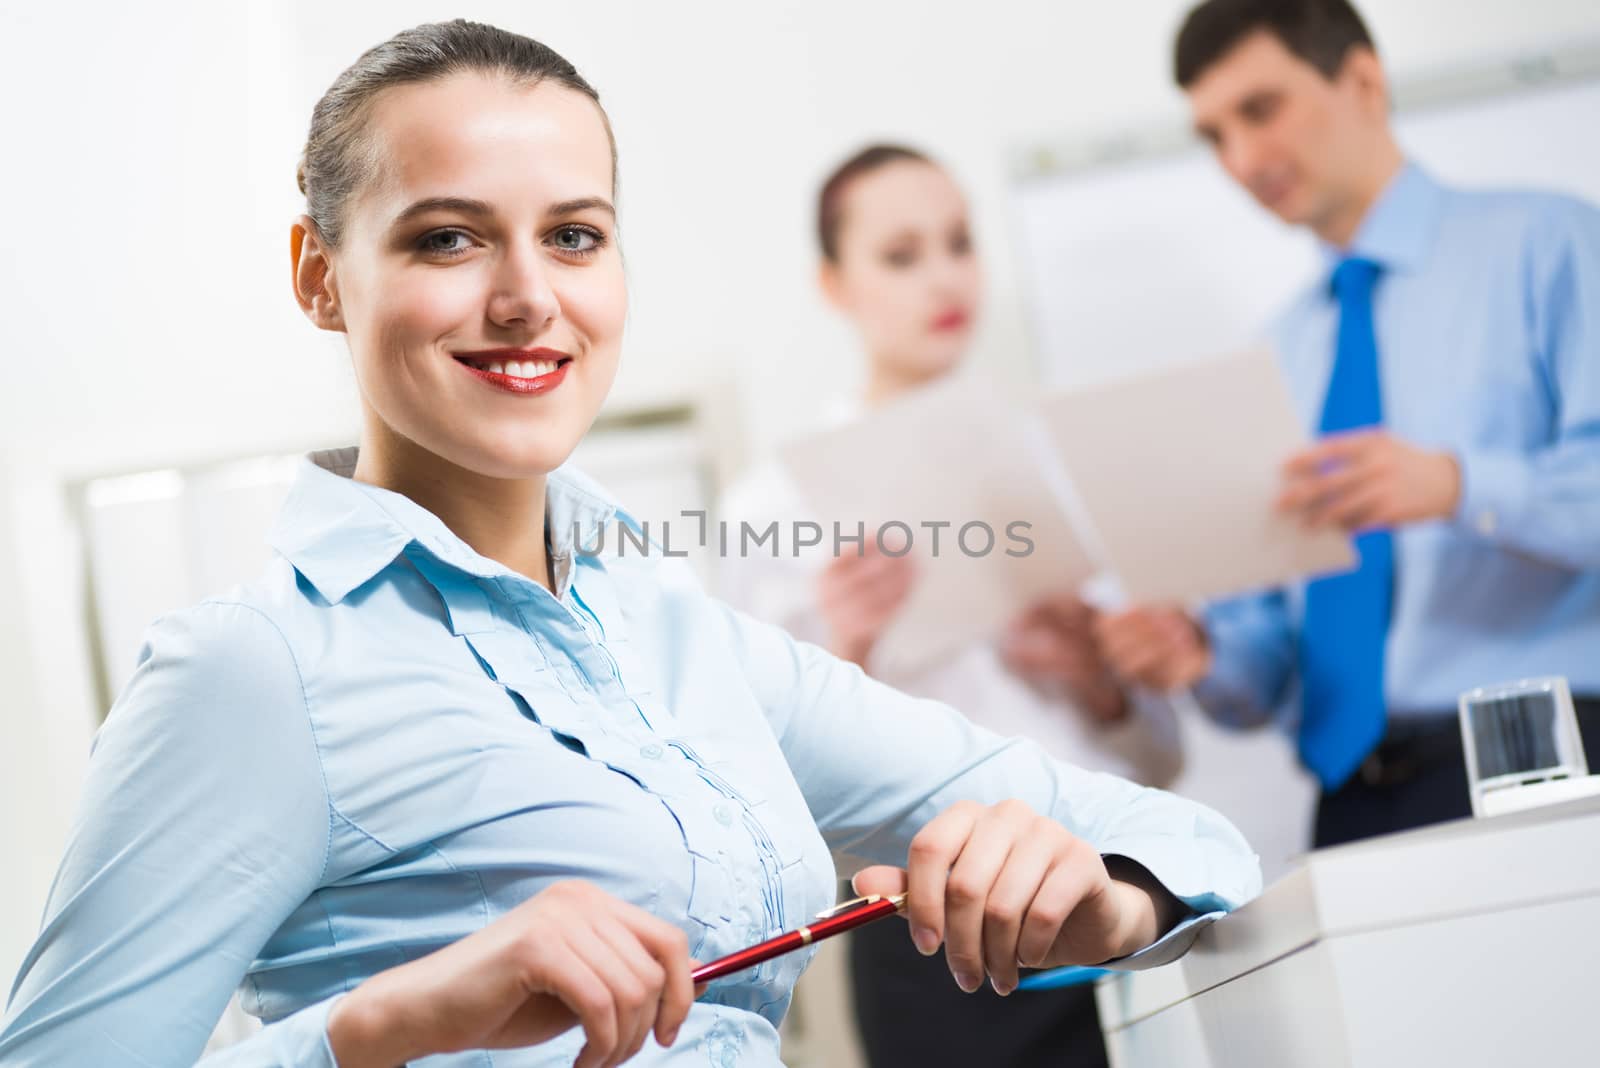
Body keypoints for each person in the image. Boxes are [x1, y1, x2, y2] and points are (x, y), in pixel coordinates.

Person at [0, 20, 1259, 1068]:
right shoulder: (254, 672)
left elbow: (1198, 846)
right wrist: (379, 1023)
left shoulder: (685, 641)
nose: (526, 295)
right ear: (319, 276)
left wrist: (1103, 899)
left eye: (573, 235)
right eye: (448, 236)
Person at [719, 144, 1181, 1068]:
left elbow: (1159, 752)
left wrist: (1097, 675)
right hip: (925, 927)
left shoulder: (1056, 461)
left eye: (958, 243)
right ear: (834, 283)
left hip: (1105, 893)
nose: (943, 276)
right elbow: (749, 803)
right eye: (900, 254)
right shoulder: (767, 511)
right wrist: (849, 646)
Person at [1097, 0, 1600, 849]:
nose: (1243, 159)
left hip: (1545, 763)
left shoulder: (1550, 246)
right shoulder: (1276, 356)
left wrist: (1456, 484)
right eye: (1214, 135)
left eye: (1260, 109)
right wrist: (1200, 654)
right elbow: (1269, 650)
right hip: (1352, 799)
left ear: (1363, 80)